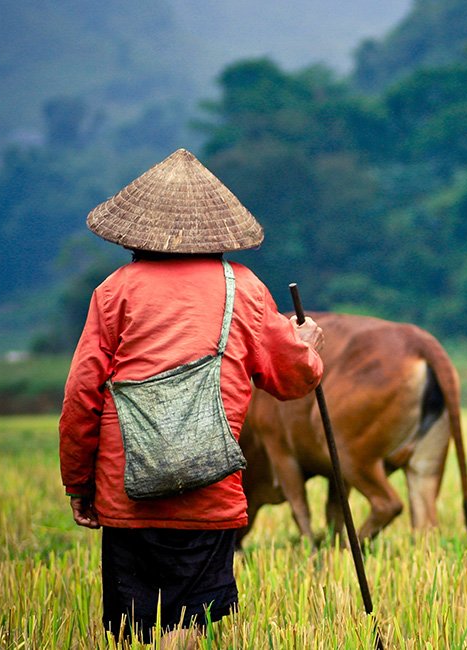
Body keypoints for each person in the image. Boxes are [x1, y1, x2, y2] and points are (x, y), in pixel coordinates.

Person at [59, 148, 324, 647]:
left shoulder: (113, 291)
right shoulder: (244, 289)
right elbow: (291, 380)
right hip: (208, 491)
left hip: (124, 491)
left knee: (133, 629)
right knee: (188, 626)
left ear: (136, 235)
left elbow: (81, 395)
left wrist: (78, 483)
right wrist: (308, 347)